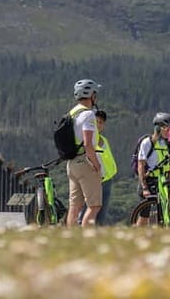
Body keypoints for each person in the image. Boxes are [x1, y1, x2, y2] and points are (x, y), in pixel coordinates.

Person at [65, 78, 103, 227]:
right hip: (85, 162)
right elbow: (88, 143)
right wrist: (96, 164)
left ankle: (71, 238)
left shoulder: (72, 113)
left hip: (72, 163)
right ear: (92, 95)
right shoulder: (88, 115)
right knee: (94, 206)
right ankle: (87, 237)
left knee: (75, 206)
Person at [135, 112, 170, 226]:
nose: (168, 130)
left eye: (169, 128)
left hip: (164, 181)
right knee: (144, 214)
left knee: (166, 212)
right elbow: (140, 165)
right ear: (157, 128)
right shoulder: (148, 142)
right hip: (149, 180)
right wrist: (144, 187)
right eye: (165, 127)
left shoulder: (169, 143)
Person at [83, 110, 116, 225]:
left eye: (101, 122)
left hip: (106, 180)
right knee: (88, 212)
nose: (98, 124)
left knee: (101, 217)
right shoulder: (87, 140)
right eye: (95, 121)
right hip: (93, 180)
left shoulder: (104, 140)